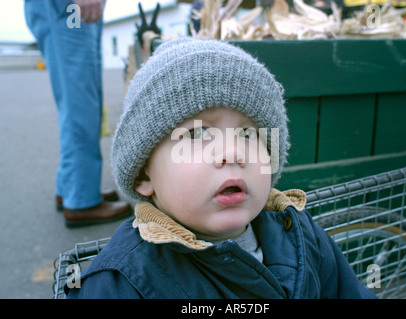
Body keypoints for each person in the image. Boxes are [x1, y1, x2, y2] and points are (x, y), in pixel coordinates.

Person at [65, 38, 376, 298]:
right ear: (145, 175)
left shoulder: (301, 233)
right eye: (197, 133)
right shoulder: (121, 284)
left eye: (248, 134)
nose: (232, 153)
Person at [24, 0, 132, 227]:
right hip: (68, 7)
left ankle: (72, 188)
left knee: (83, 98)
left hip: (66, 9)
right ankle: (81, 201)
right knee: (79, 101)